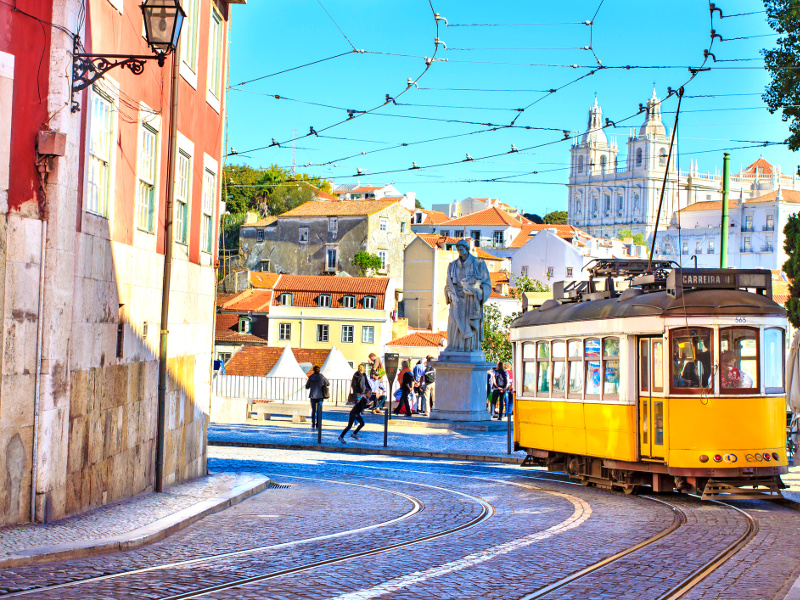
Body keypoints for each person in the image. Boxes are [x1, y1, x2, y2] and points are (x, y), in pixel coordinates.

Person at [444, 240, 492, 352]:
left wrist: (476, 292)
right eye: (458, 250)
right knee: (454, 323)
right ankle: (455, 346)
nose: (460, 252)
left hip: (471, 301)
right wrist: (451, 295)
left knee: (469, 325)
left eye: (461, 249)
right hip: (456, 301)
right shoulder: (452, 266)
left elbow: (487, 285)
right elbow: (448, 286)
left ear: (467, 249)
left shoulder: (479, 263)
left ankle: (469, 347)